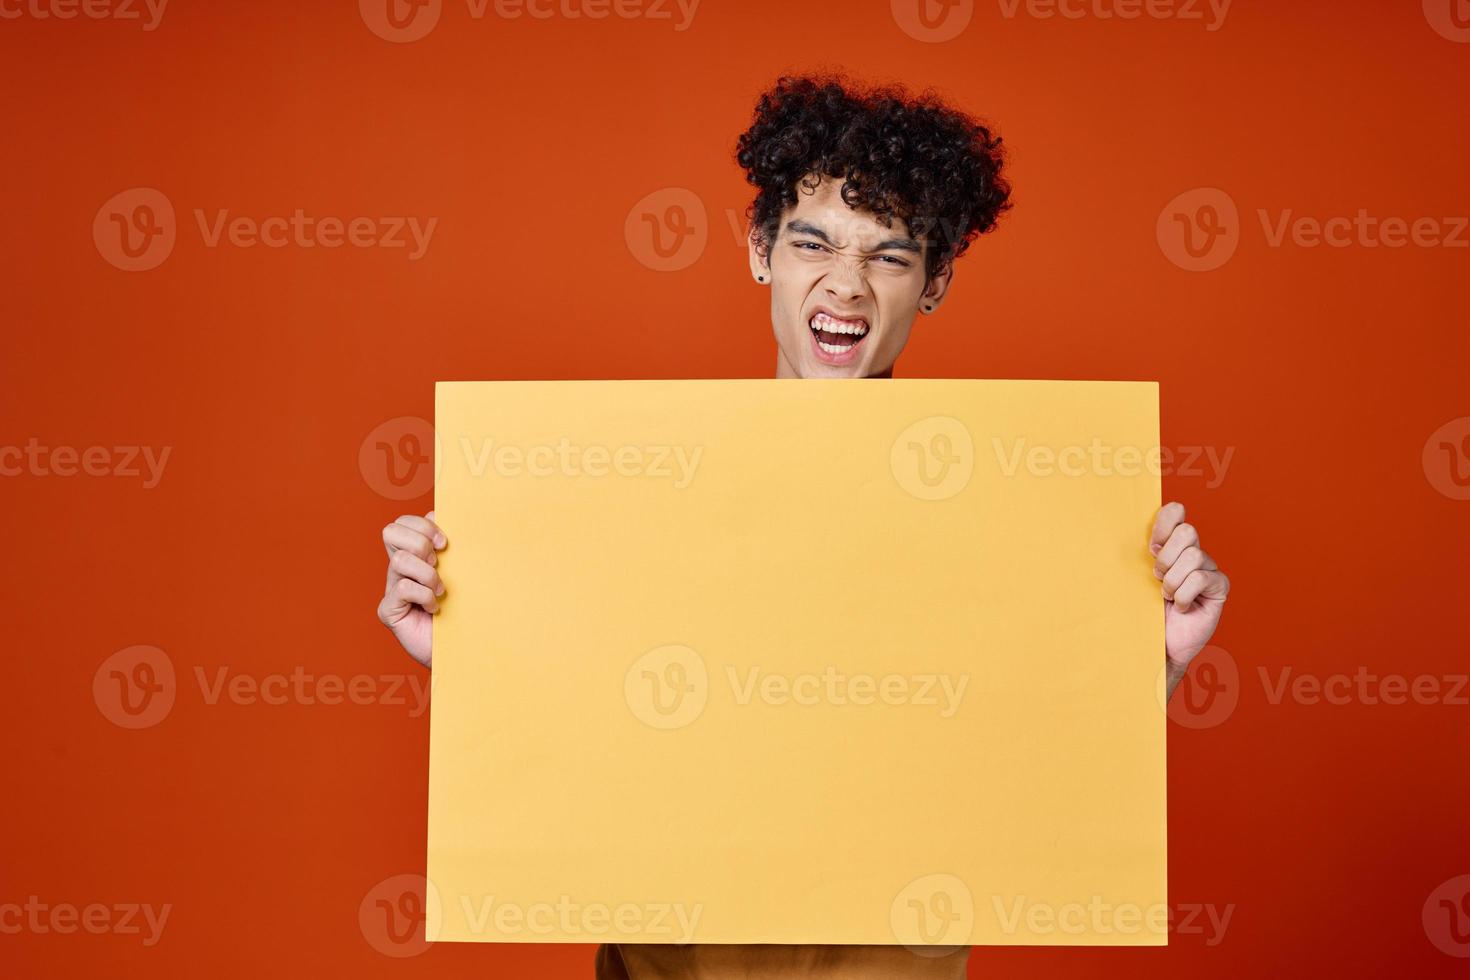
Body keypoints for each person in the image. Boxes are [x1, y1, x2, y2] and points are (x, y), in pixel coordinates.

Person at [375, 74, 1231, 980]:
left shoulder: (1001, 515)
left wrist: (1154, 664)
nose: (845, 285)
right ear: (760, 250)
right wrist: (475, 647)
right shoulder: (640, 491)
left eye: (891, 258)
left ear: (936, 280)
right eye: (811, 242)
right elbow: (607, 710)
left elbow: (1024, 750)